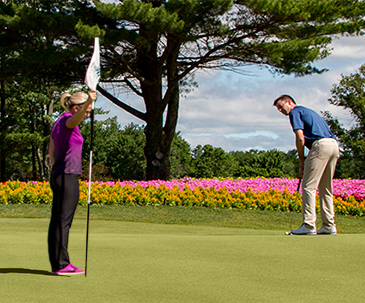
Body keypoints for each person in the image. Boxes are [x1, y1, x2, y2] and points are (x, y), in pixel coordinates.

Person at [273, 94, 339, 235]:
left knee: (308, 186)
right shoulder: (308, 111)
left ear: (290, 102)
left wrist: (302, 161)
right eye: (278, 109)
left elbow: (300, 137)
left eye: (281, 106)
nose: (280, 111)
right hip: (334, 146)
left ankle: (309, 225)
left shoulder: (295, 112)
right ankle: (329, 225)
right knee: (325, 187)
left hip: (320, 146)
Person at [48, 90, 96, 275]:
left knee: (58, 220)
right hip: (67, 176)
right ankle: (62, 265)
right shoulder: (68, 121)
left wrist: (55, 168)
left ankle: (58, 263)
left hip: (59, 174)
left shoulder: (58, 122)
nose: (87, 115)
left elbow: (51, 151)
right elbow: (75, 119)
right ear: (77, 108)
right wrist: (89, 100)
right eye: (86, 111)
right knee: (63, 221)